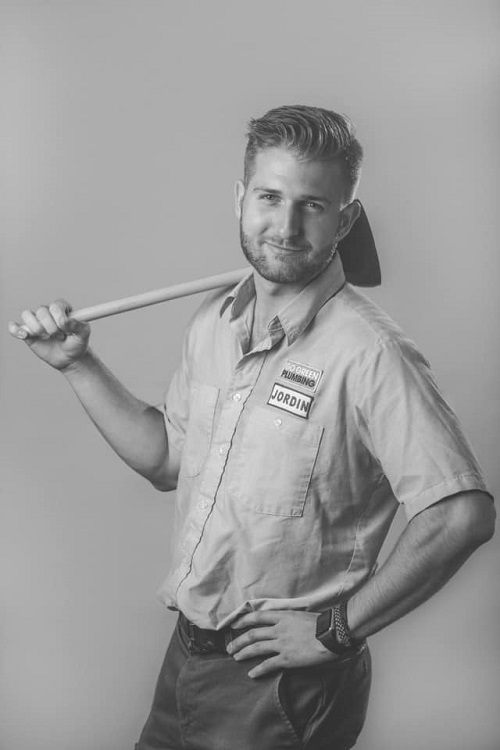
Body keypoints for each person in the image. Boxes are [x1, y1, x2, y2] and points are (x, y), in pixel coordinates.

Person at [9, 105, 495, 750]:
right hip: (187, 655)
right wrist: (78, 365)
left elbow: (462, 516)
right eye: (269, 197)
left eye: (312, 205)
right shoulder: (214, 324)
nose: (286, 227)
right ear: (240, 198)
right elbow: (165, 461)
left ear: (345, 220)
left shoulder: (370, 355)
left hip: (282, 684)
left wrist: (338, 629)